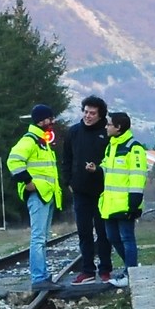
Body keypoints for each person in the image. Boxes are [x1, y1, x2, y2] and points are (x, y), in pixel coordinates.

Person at [5, 104, 64, 295]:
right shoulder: (30, 140)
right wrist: (28, 182)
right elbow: (13, 161)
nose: (52, 122)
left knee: (42, 238)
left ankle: (42, 276)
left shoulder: (41, 141)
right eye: (50, 118)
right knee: (38, 238)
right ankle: (39, 278)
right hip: (39, 195)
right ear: (41, 120)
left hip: (45, 195)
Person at [57, 97, 112, 285]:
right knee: (84, 232)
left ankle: (106, 269)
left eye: (92, 113)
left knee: (104, 232)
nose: (88, 116)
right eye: (86, 112)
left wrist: (97, 170)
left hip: (103, 191)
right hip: (80, 191)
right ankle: (87, 270)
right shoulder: (73, 132)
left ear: (100, 115)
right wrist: (68, 182)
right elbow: (66, 159)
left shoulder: (107, 133)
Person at [97, 111, 148, 286]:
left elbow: (137, 175)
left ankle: (130, 273)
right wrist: (97, 169)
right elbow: (107, 168)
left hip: (125, 203)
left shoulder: (133, 148)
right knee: (112, 237)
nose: (106, 126)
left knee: (127, 237)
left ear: (118, 128)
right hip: (110, 204)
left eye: (109, 124)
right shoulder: (111, 146)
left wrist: (134, 202)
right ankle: (131, 268)